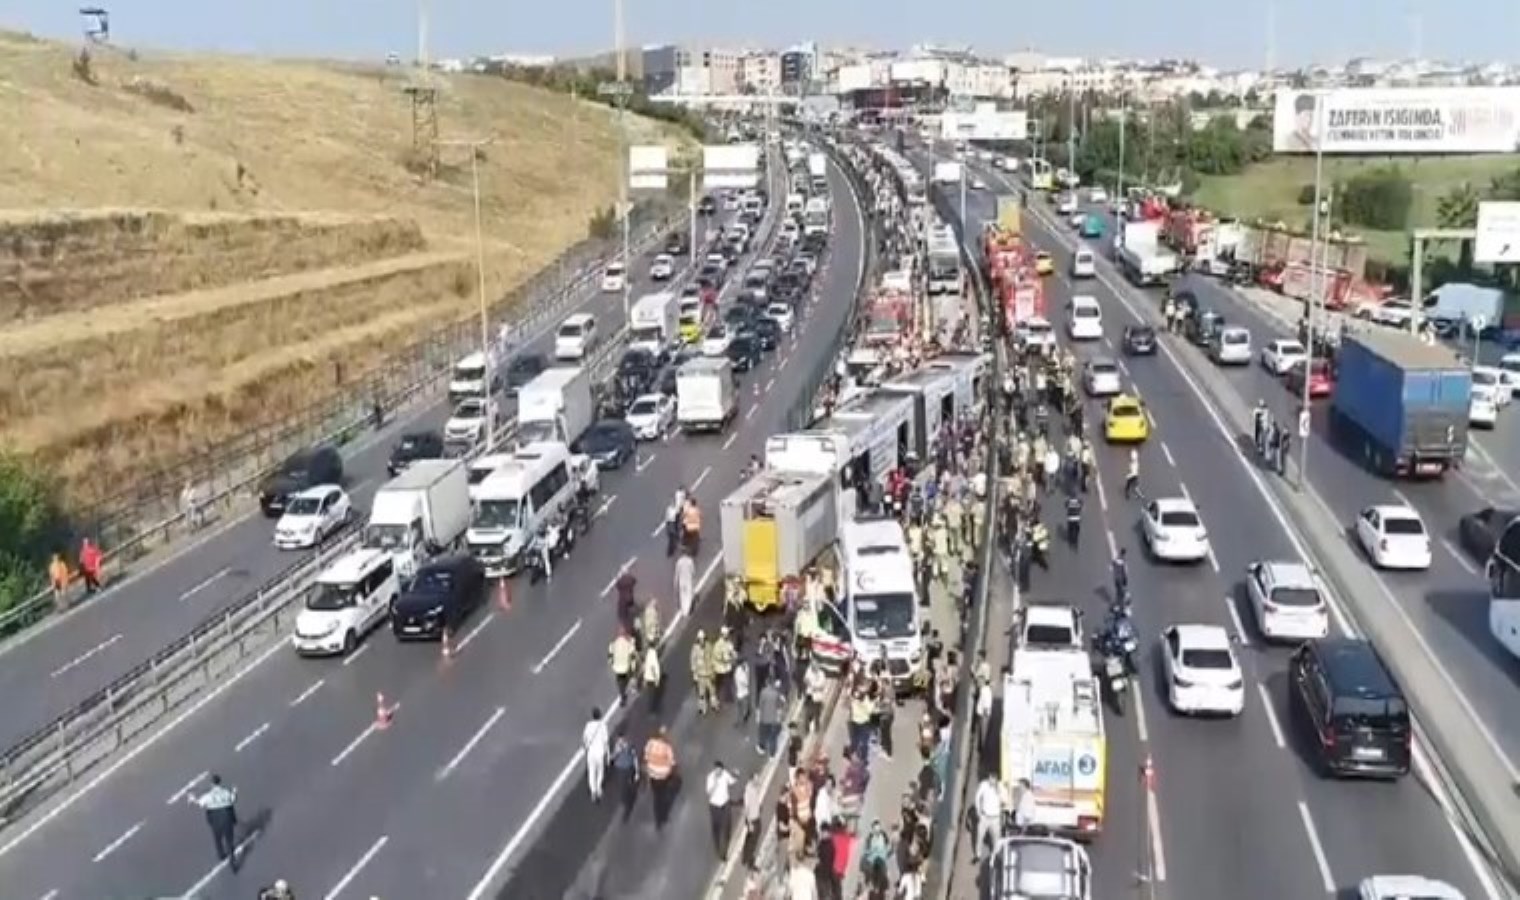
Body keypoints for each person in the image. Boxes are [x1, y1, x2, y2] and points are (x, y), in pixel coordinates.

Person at [189, 774, 240, 871]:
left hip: (215, 821)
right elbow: (233, 799)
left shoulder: (208, 796)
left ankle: (221, 855)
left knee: (218, 839)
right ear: (220, 782)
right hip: (227, 819)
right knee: (229, 842)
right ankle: (232, 861)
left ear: (212, 784)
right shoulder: (226, 792)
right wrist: (234, 791)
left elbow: (199, 803)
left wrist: (192, 798)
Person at [644, 726, 678, 830]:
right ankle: (663, 817)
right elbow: (672, 762)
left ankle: (657, 819)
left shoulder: (650, 744)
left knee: (656, 797)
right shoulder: (667, 747)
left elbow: (646, 757)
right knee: (663, 796)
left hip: (653, 775)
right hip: (663, 777)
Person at [706, 760, 737, 858]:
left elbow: (731, 781)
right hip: (715, 806)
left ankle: (723, 852)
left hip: (725, 804)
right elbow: (709, 792)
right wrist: (715, 783)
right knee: (717, 829)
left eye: (720, 770)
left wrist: (736, 775)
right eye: (717, 770)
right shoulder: (710, 778)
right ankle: (718, 848)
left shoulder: (725, 774)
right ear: (715, 770)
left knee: (727, 828)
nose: (719, 772)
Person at [973, 773, 1004, 863]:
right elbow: (977, 797)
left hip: (995, 818)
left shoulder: (1000, 787)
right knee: (979, 836)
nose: (991, 780)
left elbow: (1004, 800)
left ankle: (995, 856)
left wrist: (997, 790)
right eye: (990, 778)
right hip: (985, 816)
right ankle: (977, 855)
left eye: (993, 779)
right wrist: (978, 810)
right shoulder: (984, 785)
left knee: (996, 838)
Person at [582, 707, 610, 802]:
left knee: (591, 772)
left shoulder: (588, 725)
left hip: (591, 752)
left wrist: (586, 748)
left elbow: (585, 739)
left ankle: (593, 791)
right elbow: (606, 741)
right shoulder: (603, 726)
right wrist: (608, 754)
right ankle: (598, 788)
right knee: (600, 771)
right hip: (600, 751)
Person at [674, 549, 696, 619]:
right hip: (688, 581)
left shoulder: (679, 562)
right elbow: (693, 572)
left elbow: (676, 574)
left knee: (683, 597)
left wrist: (675, 583)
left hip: (681, 582)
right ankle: (687, 610)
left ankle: (684, 611)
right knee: (688, 596)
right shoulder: (690, 561)